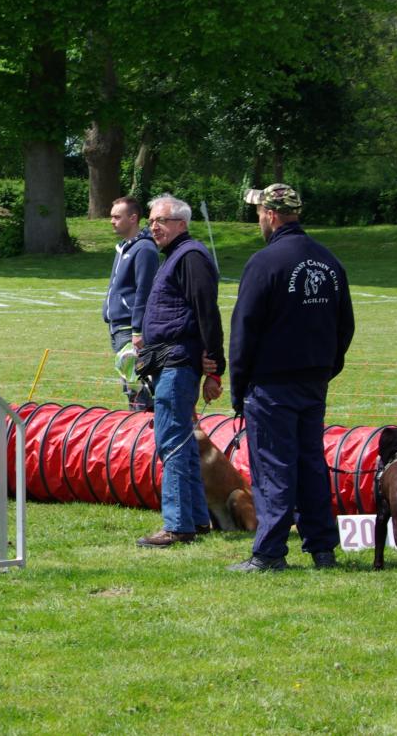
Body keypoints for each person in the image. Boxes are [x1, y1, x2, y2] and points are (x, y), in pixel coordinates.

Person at [226, 184, 355, 572]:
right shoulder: (328, 261)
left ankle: (268, 552)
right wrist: (326, 368)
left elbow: (243, 330)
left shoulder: (264, 263)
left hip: (271, 382)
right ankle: (322, 548)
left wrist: (239, 387)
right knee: (311, 463)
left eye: (259, 213)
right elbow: (345, 325)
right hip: (313, 379)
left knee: (272, 468)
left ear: (270, 214)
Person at [134, 195, 224, 548]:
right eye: (152, 221)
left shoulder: (191, 257)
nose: (154, 226)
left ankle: (176, 526)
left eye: (162, 221)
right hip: (169, 360)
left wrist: (214, 365)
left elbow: (208, 312)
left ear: (181, 224)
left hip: (178, 363)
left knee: (170, 443)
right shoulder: (177, 257)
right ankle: (197, 519)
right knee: (183, 445)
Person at [104, 196, 158, 410]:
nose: (112, 221)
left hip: (129, 330)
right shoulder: (125, 247)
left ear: (133, 218)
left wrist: (137, 330)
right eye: (111, 216)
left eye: (117, 217)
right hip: (118, 329)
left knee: (138, 388)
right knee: (130, 386)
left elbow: (145, 291)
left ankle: (144, 434)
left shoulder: (144, 249)